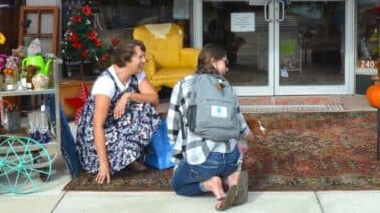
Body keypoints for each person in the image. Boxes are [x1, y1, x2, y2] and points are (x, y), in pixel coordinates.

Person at [167, 44, 252, 211]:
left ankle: (212, 185)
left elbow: (172, 125)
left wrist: (177, 148)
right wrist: (252, 137)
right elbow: (242, 126)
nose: (227, 69)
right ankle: (231, 178)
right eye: (225, 63)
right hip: (230, 159)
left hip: (202, 159)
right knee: (236, 149)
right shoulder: (227, 87)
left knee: (178, 185)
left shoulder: (183, 84)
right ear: (213, 62)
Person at [75, 39, 160, 183]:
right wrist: (103, 164)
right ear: (126, 59)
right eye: (140, 57)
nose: (144, 60)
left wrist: (129, 95)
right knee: (140, 112)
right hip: (94, 138)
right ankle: (114, 160)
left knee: (146, 108)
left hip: (115, 125)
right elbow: (97, 126)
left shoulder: (137, 73)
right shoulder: (106, 82)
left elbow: (154, 99)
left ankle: (128, 157)